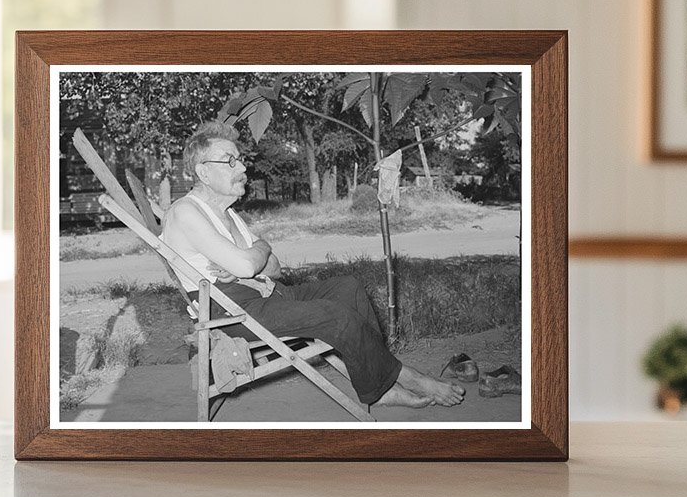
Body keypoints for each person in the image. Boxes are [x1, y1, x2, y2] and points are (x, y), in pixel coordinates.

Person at [160, 121, 465, 412]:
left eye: (240, 160)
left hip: (266, 295)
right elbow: (244, 265)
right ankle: (403, 380)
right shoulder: (185, 212)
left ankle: (378, 384)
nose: (242, 168)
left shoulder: (228, 214)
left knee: (349, 288)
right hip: (232, 312)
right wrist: (255, 253)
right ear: (203, 171)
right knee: (337, 317)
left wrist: (258, 252)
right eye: (230, 161)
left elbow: (274, 267)